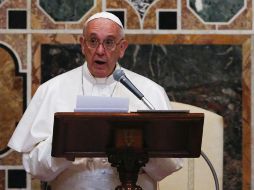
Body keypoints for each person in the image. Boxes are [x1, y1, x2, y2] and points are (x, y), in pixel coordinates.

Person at [8, 12, 183, 189]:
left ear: (122, 48)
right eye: (93, 41)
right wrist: (67, 143)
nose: (100, 51)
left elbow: (170, 165)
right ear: (83, 45)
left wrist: (138, 146)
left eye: (109, 42)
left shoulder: (150, 91)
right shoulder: (51, 90)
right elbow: (33, 167)